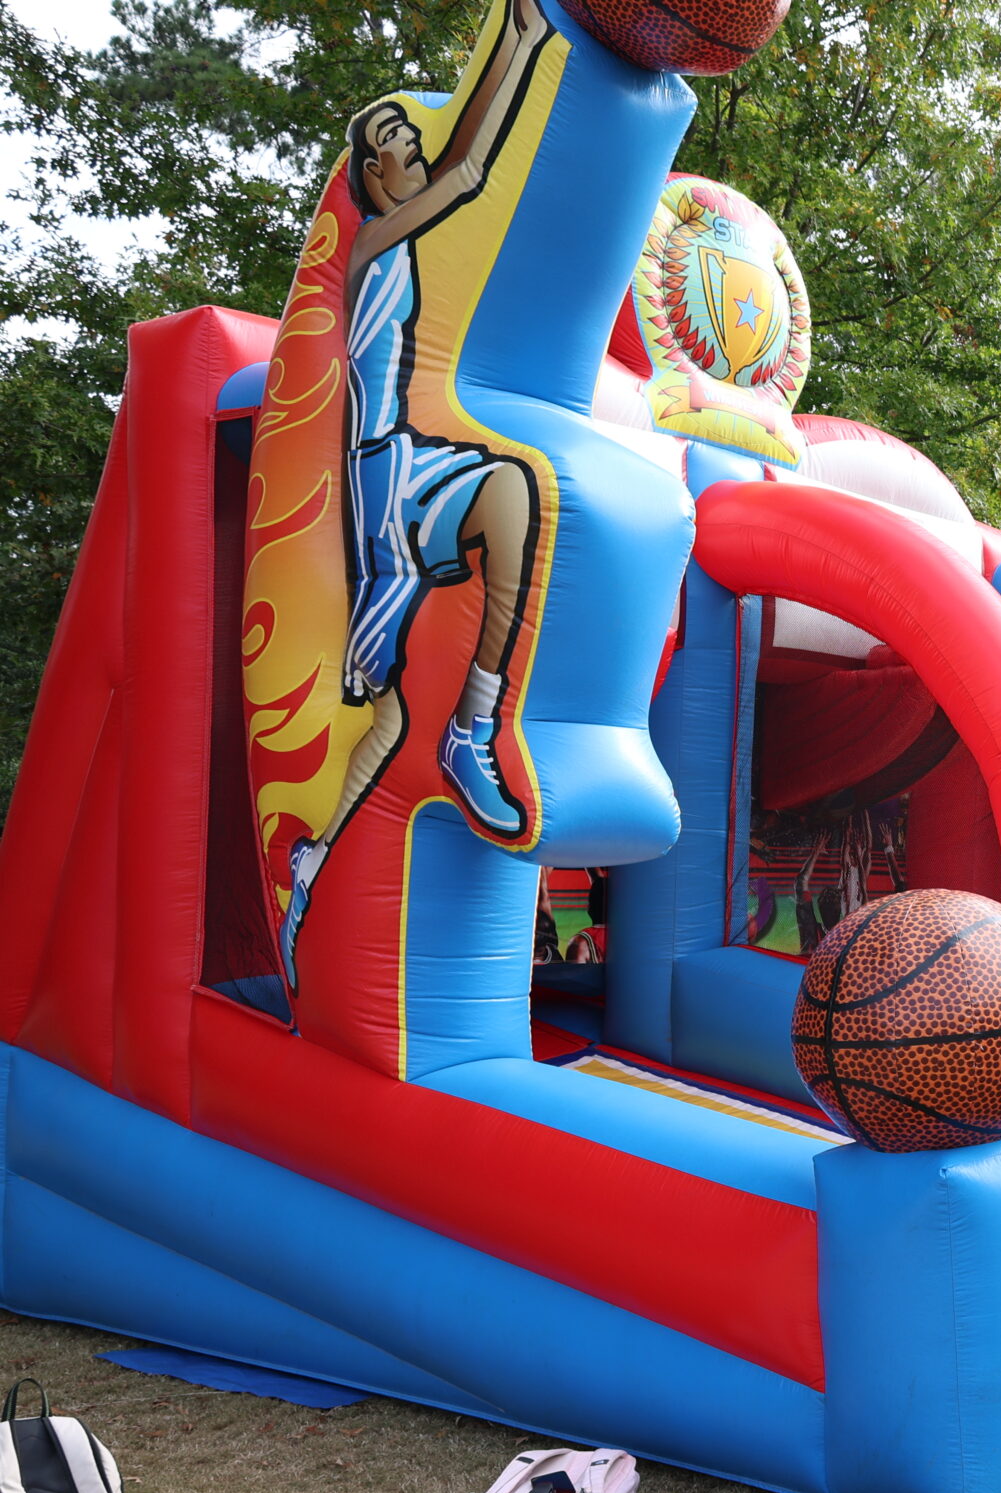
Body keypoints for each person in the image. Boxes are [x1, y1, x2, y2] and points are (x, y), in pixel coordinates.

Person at [277, 0, 560, 987]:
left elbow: (468, 173)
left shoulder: (406, 241)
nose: (416, 148)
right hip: (381, 477)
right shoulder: (374, 244)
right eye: (401, 141)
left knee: (509, 503)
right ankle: (319, 859)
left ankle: (471, 726)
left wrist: (520, 40)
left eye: (410, 135)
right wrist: (519, 42)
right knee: (384, 705)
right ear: (378, 178)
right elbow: (474, 168)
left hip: (408, 456)